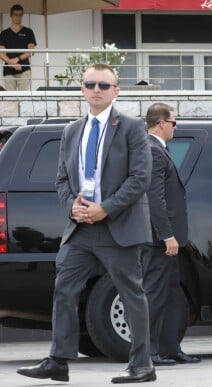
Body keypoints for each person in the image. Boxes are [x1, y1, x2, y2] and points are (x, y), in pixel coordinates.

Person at [17, 63, 156, 384]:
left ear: (116, 91)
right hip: (80, 228)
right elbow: (62, 179)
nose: (96, 89)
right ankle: (58, 360)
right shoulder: (71, 131)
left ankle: (142, 364)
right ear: (82, 89)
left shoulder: (132, 128)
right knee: (64, 290)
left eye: (104, 85)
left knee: (131, 293)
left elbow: (140, 178)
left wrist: (104, 209)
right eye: (90, 84)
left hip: (117, 226)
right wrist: (72, 207)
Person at [142, 102, 201, 366]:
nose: (176, 127)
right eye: (174, 122)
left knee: (172, 294)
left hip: (168, 239)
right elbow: (154, 198)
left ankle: (170, 348)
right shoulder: (153, 150)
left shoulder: (158, 150)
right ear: (162, 123)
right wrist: (167, 235)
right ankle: (151, 352)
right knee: (155, 295)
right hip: (159, 241)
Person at [0, 4, 36, 91]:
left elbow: (31, 51)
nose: (18, 17)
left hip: (24, 68)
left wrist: (17, 59)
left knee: (23, 98)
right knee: (10, 99)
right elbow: (1, 52)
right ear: (11, 15)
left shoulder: (28, 31)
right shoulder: (4, 33)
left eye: (20, 15)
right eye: (15, 14)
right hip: (9, 70)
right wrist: (11, 62)